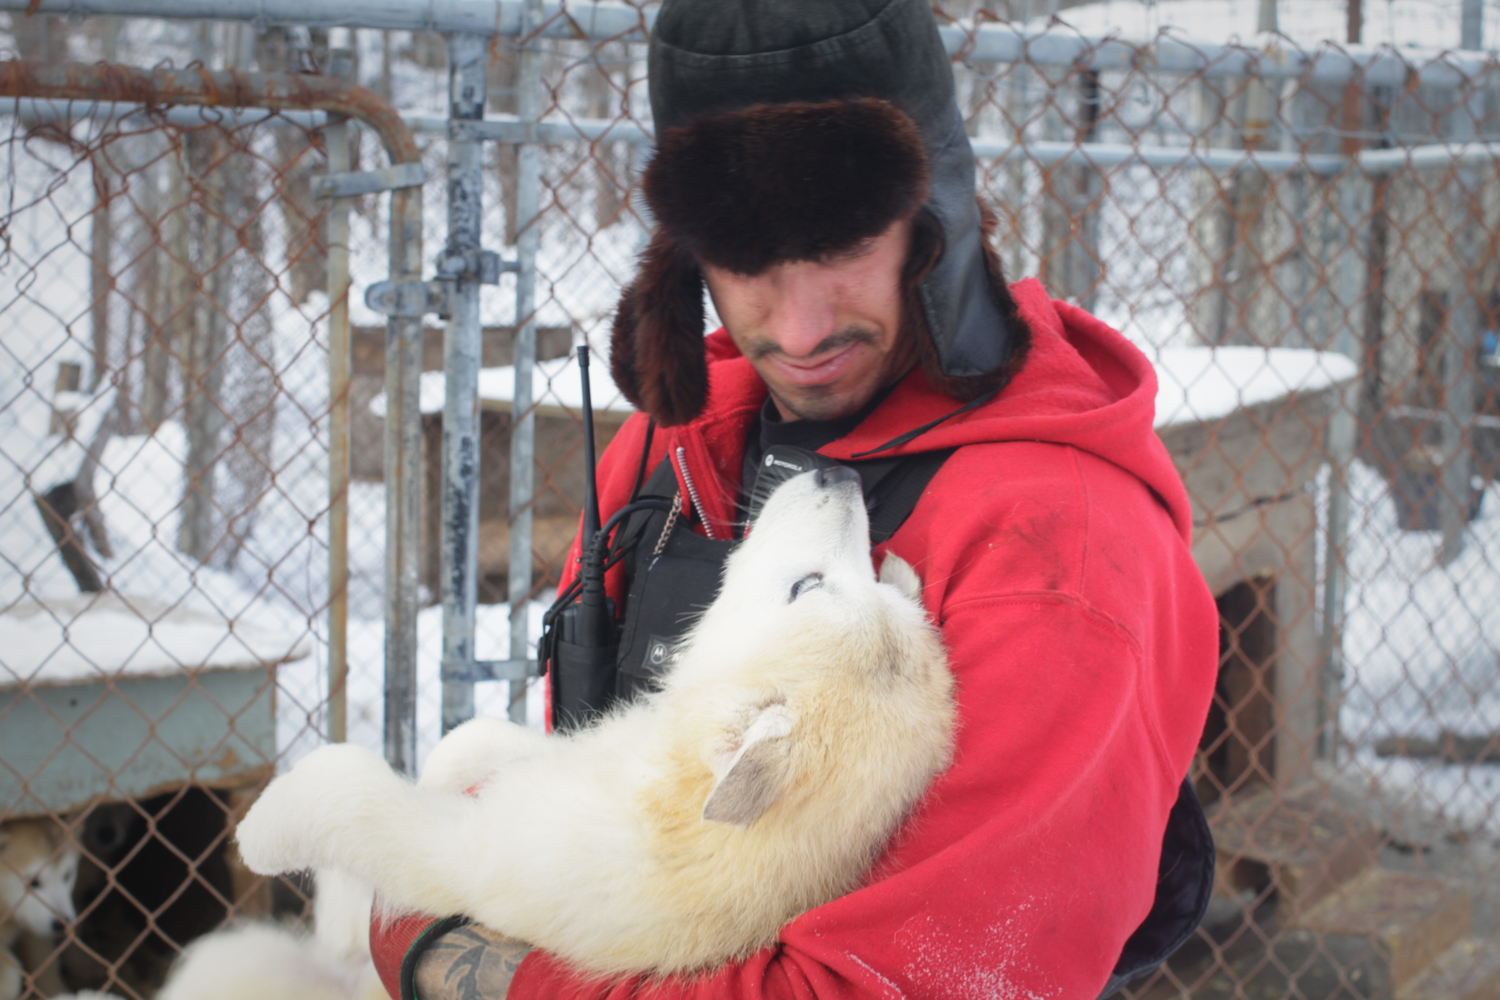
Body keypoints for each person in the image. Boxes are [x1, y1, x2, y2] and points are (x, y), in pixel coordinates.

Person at [369, 0, 1220, 996]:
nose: (801, 327)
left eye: (842, 246)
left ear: (931, 220)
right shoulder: (671, 452)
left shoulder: (1053, 546)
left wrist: (450, 958)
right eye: (749, 264)